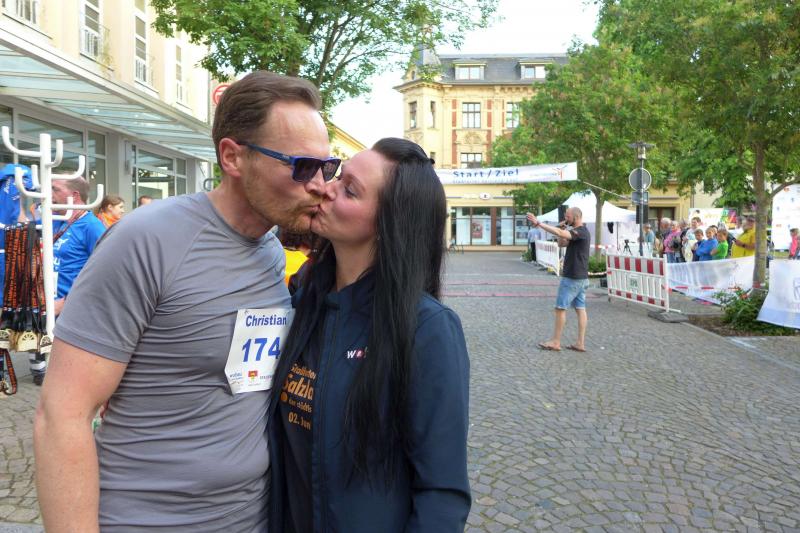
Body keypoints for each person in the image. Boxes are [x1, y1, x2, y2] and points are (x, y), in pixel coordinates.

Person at [34, 71, 341, 531]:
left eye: (327, 167)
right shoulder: (147, 240)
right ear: (233, 157)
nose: (320, 184)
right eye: (301, 167)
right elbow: (62, 414)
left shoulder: (271, 251)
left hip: (252, 518)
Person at [269, 138, 471, 532]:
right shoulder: (304, 300)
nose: (325, 188)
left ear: (388, 223)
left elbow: (442, 494)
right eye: (338, 176)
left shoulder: (428, 329)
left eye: (350, 190)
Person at [527, 207, 590, 352]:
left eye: (568, 217)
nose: (565, 219)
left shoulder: (581, 231)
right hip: (581, 277)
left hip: (573, 277)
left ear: (576, 217)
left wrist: (539, 223)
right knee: (580, 308)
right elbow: (562, 243)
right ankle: (580, 343)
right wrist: (562, 230)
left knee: (560, 308)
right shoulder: (578, 233)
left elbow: (561, 234)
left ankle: (555, 342)